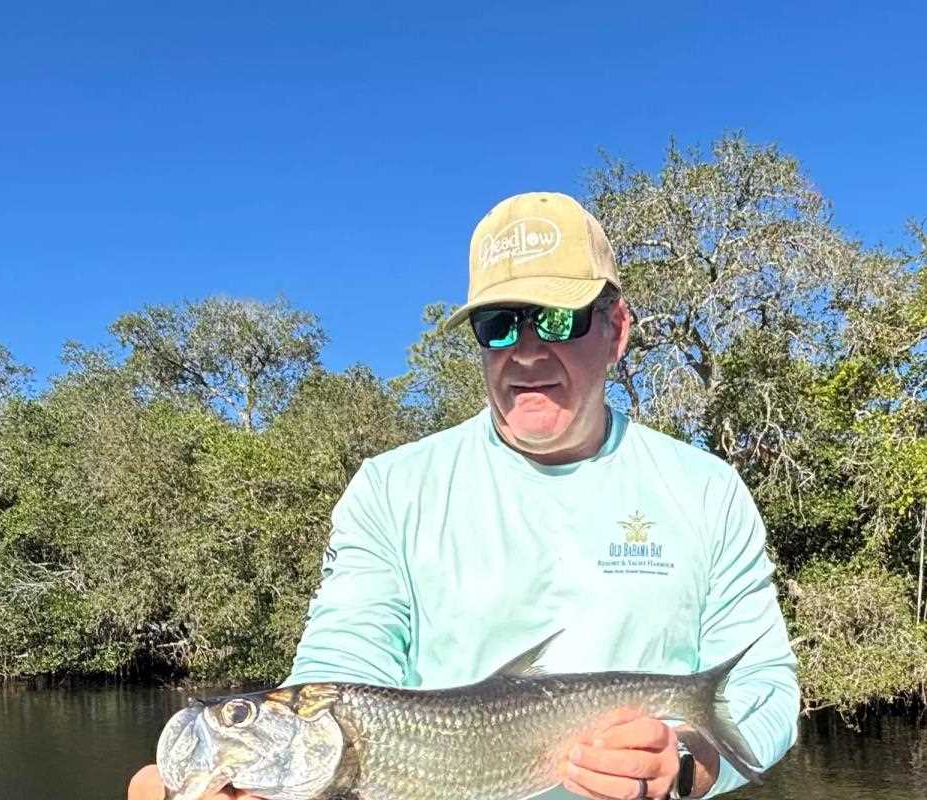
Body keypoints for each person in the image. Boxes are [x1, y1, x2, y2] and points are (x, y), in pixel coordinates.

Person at [129, 192, 799, 800]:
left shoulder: (706, 490)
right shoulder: (391, 487)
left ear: (616, 329)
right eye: (499, 325)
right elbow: (343, 664)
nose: (528, 350)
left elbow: (763, 690)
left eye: (559, 320)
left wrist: (687, 767)